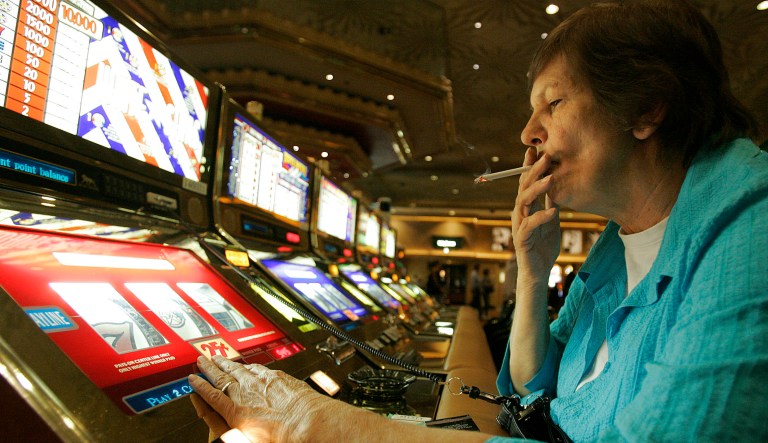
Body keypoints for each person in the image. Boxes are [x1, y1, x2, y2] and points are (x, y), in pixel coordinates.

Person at [188, 1, 768, 441]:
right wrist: (532, 268)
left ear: (646, 107)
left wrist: (315, 420)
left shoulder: (751, 226)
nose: (527, 133)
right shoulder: (620, 239)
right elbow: (528, 389)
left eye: (552, 104)